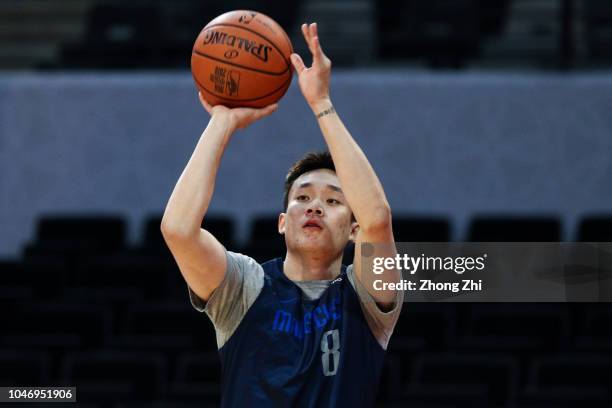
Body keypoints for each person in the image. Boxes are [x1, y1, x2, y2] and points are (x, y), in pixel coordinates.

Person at [161, 22, 403, 407]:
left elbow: (378, 218)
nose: (315, 206)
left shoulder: (368, 299)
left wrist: (322, 104)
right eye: (303, 197)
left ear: (354, 229)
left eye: (334, 201)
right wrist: (221, 122)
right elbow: (177, 230)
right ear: (282, 221)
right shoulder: (246, 287)